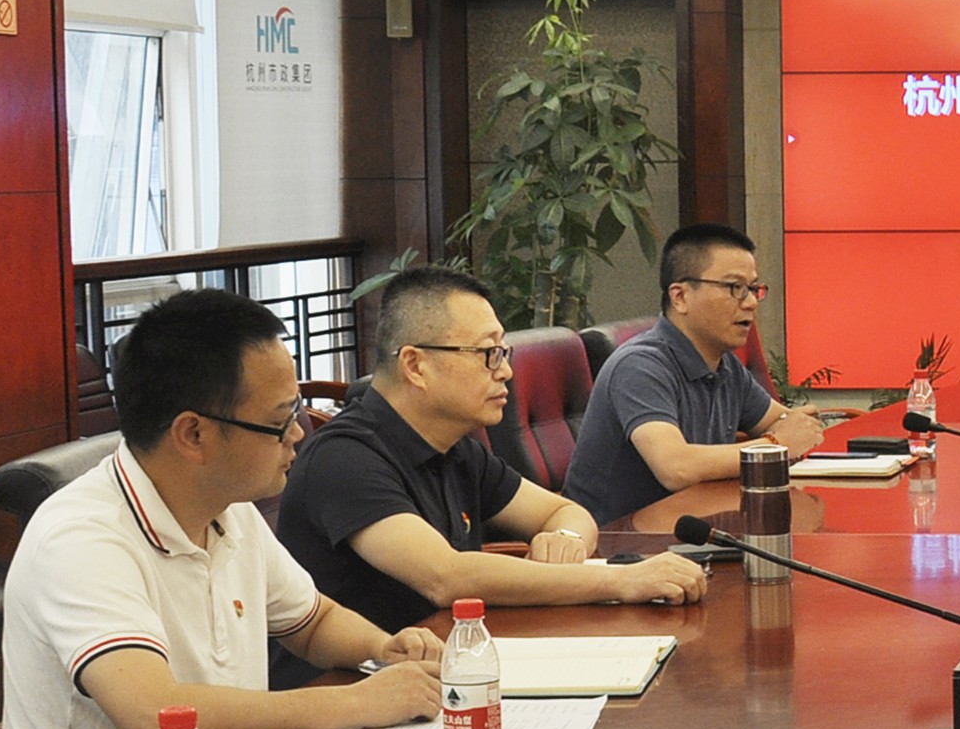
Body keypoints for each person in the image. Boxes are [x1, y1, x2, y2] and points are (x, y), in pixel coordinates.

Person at [0, 290, 444, 729]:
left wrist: (384, 649)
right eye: (280, 420)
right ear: (194, 434)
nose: (299, 433)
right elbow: (154, 716)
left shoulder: (227, 509)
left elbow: (311, 622)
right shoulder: (80, 538)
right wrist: (358, 703)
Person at [276, 265, 706, 639]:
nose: (506, 371)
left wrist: (566, 541)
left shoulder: (455, 448)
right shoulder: (344, 459)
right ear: (415, 365)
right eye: (488, 354)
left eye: (503, 353)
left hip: (445, 661)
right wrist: (622, 582)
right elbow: (446, 577)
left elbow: (565, 512)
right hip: (351, 687)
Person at [562, 224, 826, 522]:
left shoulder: (724, 364)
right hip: (616, 540)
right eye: (734, 288)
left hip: (691, 528)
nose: (751, 302)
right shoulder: (640, 365)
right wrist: (776, 446)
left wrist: (795, 429)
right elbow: (675, 468)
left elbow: (782, 422)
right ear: (680, 297)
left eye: (753, 289)